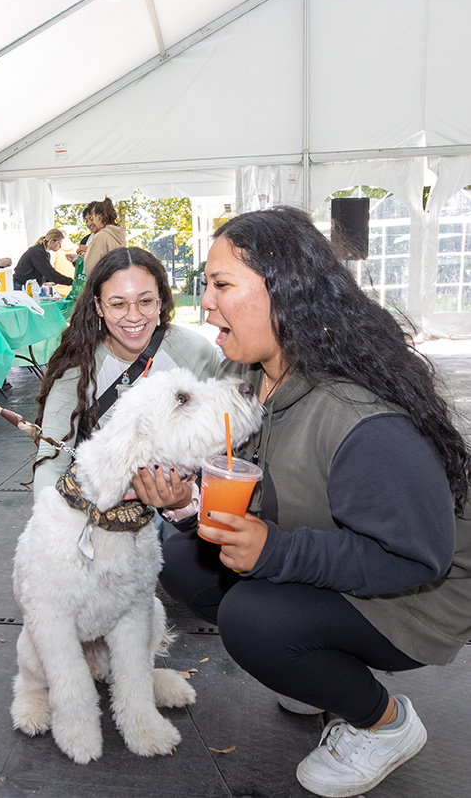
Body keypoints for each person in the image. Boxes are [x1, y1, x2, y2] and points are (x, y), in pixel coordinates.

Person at [132, 206, 471, 797]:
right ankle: (319, 671)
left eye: (221, 285)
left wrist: (276, 552)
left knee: (254, 619)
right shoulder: (260, 375)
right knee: (185, 559)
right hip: (340, 553)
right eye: (205, 285)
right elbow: (269, 490)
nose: (205, 302)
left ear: (285, 290)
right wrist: (188, 505)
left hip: (423, 596)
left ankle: (384, 724)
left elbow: (419, 560)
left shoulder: (360, 418)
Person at [32, 246, 220, 499]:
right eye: (118, 304)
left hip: (182, 513)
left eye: (145, 301)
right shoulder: (78, 366)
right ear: (99, 306)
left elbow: (221, 443)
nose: (134, 317)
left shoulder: (196, 353)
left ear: (161, 300)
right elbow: (50, 462)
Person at [82, 197, 126, 273]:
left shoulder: (101, 236)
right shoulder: (118, 234)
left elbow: (90, 267)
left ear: (99, 216)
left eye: (93, 218)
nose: (91, 222)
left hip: (104, 281)